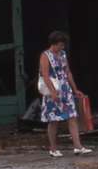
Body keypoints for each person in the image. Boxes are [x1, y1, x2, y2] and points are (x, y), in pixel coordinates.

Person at [39, 30, 91, 158]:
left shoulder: (62, 54)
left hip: (65, 90)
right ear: (54, 44)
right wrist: (52, 92)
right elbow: (45, 75)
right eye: (61, 45)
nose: (62, 47)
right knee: (53, 120)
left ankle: (78, 147)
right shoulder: (45, 56)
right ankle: (53, 148)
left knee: (72, 116)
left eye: (63, 45)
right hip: (53, 90)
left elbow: (68, 72)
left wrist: (75, 89)